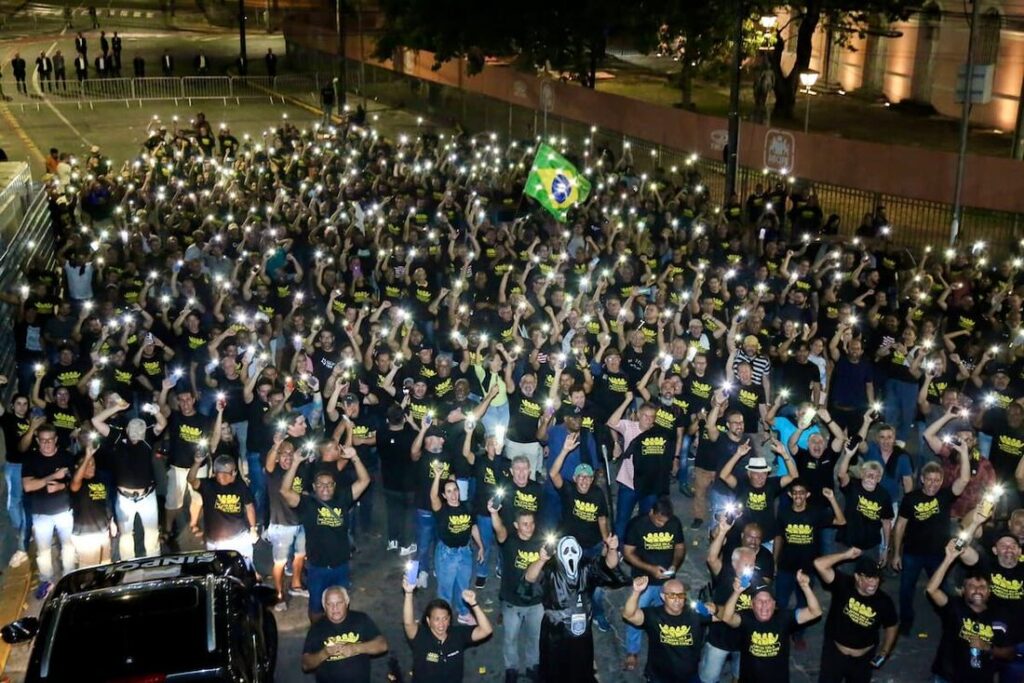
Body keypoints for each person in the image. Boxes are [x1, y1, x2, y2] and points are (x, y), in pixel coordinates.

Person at [280, 440, 371, 620]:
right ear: (314, 487)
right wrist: (296, 463)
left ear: (334, 486)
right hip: (317, 567)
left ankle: (337, 635)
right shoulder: (307, 504)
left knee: (341, 605)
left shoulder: (342, 498)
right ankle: (318, 635)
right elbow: (284, 491)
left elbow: (365, 480)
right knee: (316, 607)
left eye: (329, 484)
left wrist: (355, 458)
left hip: (340, 565)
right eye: (320, 485)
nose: (325, 488)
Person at [524, 534, 628, 683]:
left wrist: (612, 549)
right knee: (554, 672)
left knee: (581, 670)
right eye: (566, 551)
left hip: (581, 634)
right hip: (555, 633)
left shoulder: (586, 568)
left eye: (573, 550)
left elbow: (608, 565)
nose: (570, 555)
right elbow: (529, 578)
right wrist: (541, 560)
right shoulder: (550, 570)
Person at [892, 454, 969, 634]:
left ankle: (949, 621)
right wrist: (896, 553)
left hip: (938, 554)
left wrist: (964, 451)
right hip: (913, 553)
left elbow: (964, 479)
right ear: (922, 480)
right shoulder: (911, 498)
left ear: (941, 480)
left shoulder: (945, 495)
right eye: (929, 480)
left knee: (942, 589)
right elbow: (900, 525)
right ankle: (906, 621)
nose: (933, 484)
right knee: (906, 590)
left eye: (937, 480)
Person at [926, 540, 1014, 683]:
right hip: (947, 676)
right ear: (962, 591)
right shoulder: (954, 607)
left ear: (989, 592)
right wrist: (949, 559)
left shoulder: (1000, 615)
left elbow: (1009, 653)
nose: (978, 590)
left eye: (983, 586)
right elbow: (931, 590)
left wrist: (988, 647)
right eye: (972, 586)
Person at [91, 399, 166, 559]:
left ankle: (153, 563)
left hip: (147, 496)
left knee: (152, 534)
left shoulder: (148, 438)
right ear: (126, 428)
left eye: (140, 427)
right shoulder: (118, 437)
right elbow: (95, 421)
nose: (136, 430)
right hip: (124, 498)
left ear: (145, 429)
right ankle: (128, 565)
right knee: (125, 536)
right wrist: (116, 407)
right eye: (132, 426)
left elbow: (162, 423)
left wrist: (156, 412)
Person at [718, 572, 823, 683]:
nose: (764, 605)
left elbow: (815, 612)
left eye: (768, 601)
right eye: (759, 601)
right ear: (752, 605)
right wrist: (737, 592)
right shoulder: (746, 618)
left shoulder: (784, 618)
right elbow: (727, 617)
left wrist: (805, 587)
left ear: (774, 604)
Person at [813, 548, 899, 682]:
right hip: (835, 655)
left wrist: (884, 652)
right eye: (868, 578)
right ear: (857, 577)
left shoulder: (884, 601)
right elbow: (819, 564)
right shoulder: (843, 585)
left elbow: (892, 626)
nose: (873, 583)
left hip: (863, 661)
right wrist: (845, 555)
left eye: (876, 578)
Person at [621, 496, 686, 671]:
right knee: (635, 616)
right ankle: (632, 652)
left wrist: (674, 565)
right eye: (658, 520)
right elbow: (627, 553)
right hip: (644, 582)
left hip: (666, 582)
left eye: (665, 521)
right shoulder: (637, 524)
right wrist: (649, 568)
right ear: (651, 512)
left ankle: (663, 650)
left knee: (666, 618)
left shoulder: (674, 523)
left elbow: (680, 547)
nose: (662, 525)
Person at [488, 501, 543, 683]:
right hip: (512, 602)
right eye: (525, 524)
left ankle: (532, 666)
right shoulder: (509, 540)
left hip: (536, 601)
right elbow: (499, 530)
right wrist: (494, 513)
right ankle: (511, 668)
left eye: (532, 523)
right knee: (510, 638)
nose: (529, 527)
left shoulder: (541, 542)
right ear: (516, 525)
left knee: (534, 637)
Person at [401, 577, 492, 683]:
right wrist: (408, 593)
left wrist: (473, 604)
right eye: (437, 619)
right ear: (428, 620)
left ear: (449, 620)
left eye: (445, 619)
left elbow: (486, 630)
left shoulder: (458, 635)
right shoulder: (421, 637)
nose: (441, 624)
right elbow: (408, 623)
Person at [21, 423, 76, 597]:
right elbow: (28, 486)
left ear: (56, 440)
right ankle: (46, 581)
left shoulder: (67, 457)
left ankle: (69, 579)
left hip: (64, 510)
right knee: (43, 551)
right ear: (37, 440)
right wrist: (52, 477)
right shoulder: (31, 459)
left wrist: (62, 485)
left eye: (50, 440)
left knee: (68, 547)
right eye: (43, 440)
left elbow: (76, 482)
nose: (46, 444)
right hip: (41, 513)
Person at [621, 576, 710, 683]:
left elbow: (728, 618)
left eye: (680, 595)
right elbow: (629, 615)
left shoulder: (695, 614)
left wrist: (717, 609)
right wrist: (636, 592)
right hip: (659, 677)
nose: (677, 599)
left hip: (689, 677)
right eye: (672, 595)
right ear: (663, 597)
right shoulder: (653, 615)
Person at [429, 457, 484, 624]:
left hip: (465, 551)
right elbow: (433, 497)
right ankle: (442, 618)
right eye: (449, 491)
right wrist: (438, 476)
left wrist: (480, 546)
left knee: (463, 585)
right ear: (444, 495)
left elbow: (473, 527)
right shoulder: (442, 509)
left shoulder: (467, 506)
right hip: (447, 554)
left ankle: (462, 612)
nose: (453, 494)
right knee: (445, 589)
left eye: (455, 490)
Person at [301, 586, 389, 683]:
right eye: (330, 604)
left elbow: (382, 645)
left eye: (339, 603)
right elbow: (306, 664)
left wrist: (355, 648)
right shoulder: (317, 628)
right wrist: (324, 653)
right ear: (324, 606)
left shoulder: (361, 619)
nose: (335, 608)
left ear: (347, 602)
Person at [264, 437, 308, 611]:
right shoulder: (273, 472)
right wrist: (275, 445)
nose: (288, 457)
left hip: (300, 523)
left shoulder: (300, 470)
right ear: (277, 457)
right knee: (280, 562)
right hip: (281, 525)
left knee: (300, 556)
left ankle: (296, 585)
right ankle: (279, 595)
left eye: (291, 453)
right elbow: (268, 462)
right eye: (283, 454)